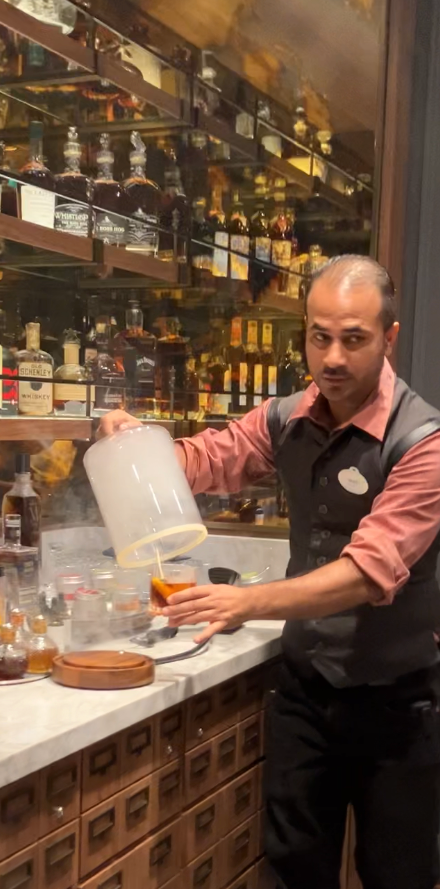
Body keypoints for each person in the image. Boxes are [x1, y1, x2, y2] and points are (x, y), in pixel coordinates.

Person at [99, 255, 440, 889]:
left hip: (396, 705)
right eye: (319, 336)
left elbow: (368, 572)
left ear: (389, 338)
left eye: (353, 339)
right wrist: (139, 442)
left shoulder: (422, 441)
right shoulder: (286, 418)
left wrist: (245, 603)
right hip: (305, 696)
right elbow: (209, 458)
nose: (332, 357)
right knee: (291, 873)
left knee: (399, 877)